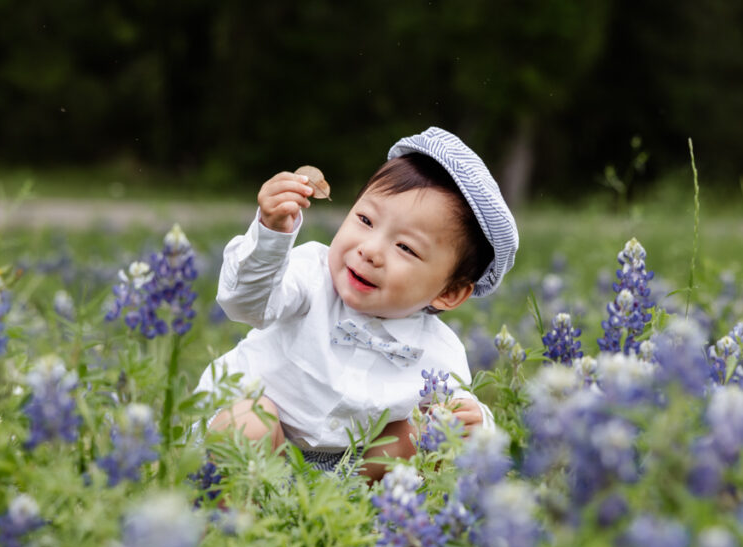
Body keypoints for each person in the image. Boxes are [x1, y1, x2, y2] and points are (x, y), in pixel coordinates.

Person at [196, 126, 518, 481]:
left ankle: (357, 516)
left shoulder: (441, 350)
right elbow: (244, 303)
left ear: (450, 293)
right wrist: (272, 235)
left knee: (424, 433)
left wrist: (474, 421)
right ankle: (235, 521)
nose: (371, 250)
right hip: (258, 438)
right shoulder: (310, 273)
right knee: (252, 422)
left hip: (349, 470)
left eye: (405, 248)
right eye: (365, 220)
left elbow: (459, 408)